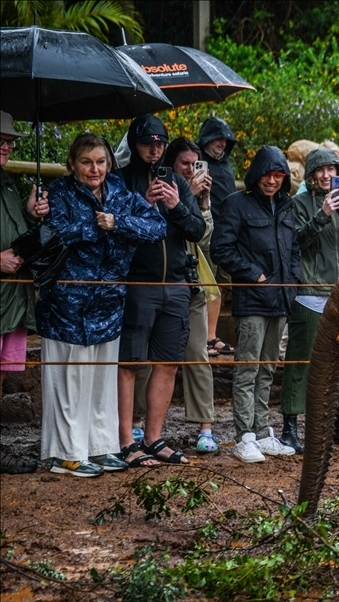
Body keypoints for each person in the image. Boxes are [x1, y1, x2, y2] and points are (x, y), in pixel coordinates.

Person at [37, 133, 165, 475]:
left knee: (100, 383)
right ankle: (67, 453)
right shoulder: (61, 193)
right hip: (67, 304)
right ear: (72, 164)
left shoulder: (121, 194)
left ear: (109, 163)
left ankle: (99, 447)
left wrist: (117, 222)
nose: (95, 169)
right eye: (86, 162)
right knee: (70, 381)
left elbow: (157, 226)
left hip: (108, 304)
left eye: (101, 162)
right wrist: (98, 224)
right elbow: (55, 233)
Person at [113, 115, 206, 466]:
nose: (154, 149)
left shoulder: (178, 185)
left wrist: (175, 205)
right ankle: (127, 440)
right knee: (130, 364)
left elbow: (197, 230)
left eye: (160, 143)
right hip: (138, 283)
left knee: (167, 364)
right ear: (134, 143)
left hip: (177, 285)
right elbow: (116, 232)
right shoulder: (120, 180)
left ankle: (154, 437)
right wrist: (146, 206)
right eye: (147, 142)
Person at [130, 137, 220, 455]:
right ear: (169, 163)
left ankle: (205, 426)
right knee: (142, 358)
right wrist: (173, 198)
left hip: (192, 282)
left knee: (197, 355)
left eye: (196, 164)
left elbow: (205, 238)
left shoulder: (189, 193)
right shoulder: (156, 186)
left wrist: (200, 202)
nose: (190, 170)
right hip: (156, 283)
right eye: (184, 164)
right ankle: (137, 421)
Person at [211, 145, 300, 463]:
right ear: (256, 174)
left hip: (281, 300)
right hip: (252, 301)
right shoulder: (236, 204)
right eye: (267, 174)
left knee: (268, 369)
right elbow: (221, 249)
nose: (272, 181)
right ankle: (243, 436)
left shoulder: (288, 207)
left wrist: (294, 282)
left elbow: (294, 248)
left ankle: (263, 433)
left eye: (279, 175)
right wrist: (254, 275)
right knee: (247, 369)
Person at [279, 148, 339, 453]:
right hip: (308, 296)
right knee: (301, 362)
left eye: (332, 169)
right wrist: (323, 215)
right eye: (321, 170)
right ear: (311, 175)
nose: (326, 175)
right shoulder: (298, 204)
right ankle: (290, 427)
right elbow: (296, 242)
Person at [0, 111, 48, 474]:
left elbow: (16, 237)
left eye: (9, 140)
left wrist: (32, 216)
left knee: (2, 375)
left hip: (12, 299)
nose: (5, 145)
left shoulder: (7, 184)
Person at [197, 116, 238, 357]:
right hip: (205, 231)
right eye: (217, 139)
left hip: (227, 232)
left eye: (224, 140)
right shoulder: (197, 162)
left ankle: (211, 336)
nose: (221, 144)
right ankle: (201, 338)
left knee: (220, 284)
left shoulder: (226, 164)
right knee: (206, 283)